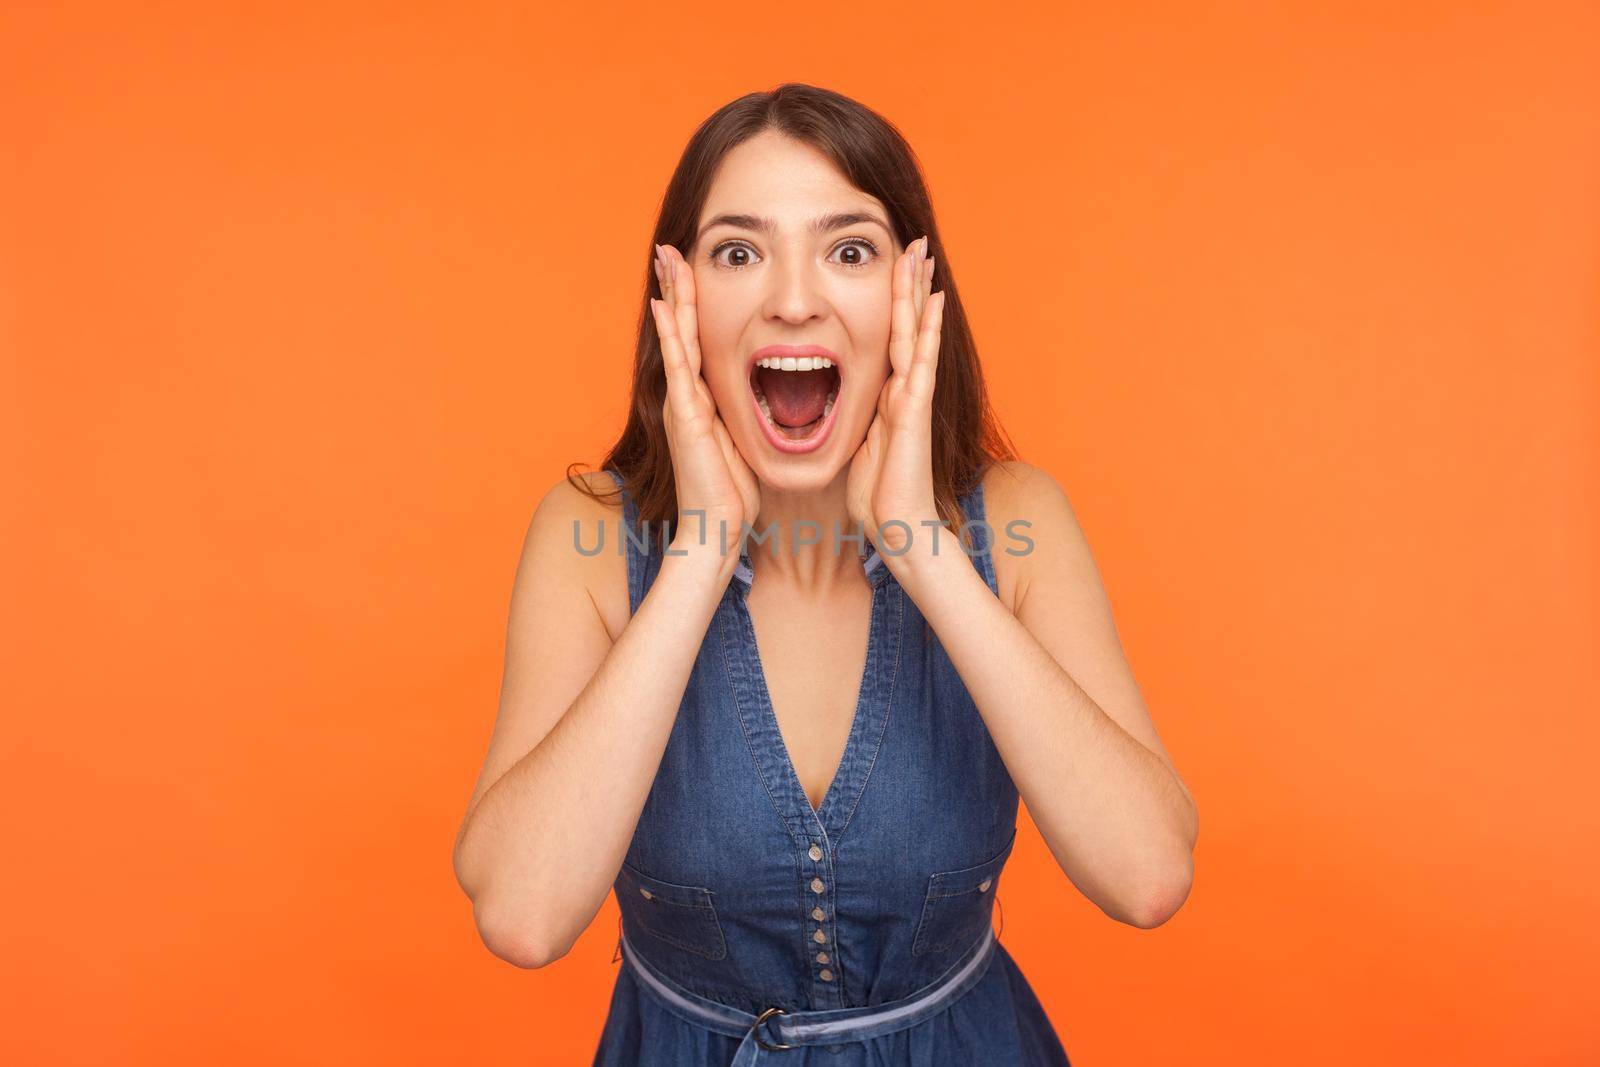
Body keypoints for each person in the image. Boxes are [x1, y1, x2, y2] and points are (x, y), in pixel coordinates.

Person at [452, 83, 1198, 1065]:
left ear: (910, 294)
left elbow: (1146, 875)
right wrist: (704, 547)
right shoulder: (590, 537)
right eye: (738, 252)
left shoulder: (1013, 520)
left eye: (847, 250)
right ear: (677, 298)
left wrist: (918, 544)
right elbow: (523, 914)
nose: (793, 297)